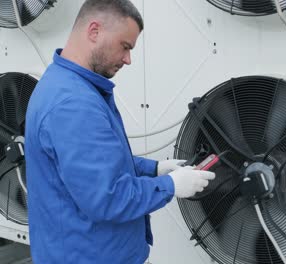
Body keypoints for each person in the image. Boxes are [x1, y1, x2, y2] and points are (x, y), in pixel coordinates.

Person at [24, 0, 215, 263]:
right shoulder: (74, 105)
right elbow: (108, 198)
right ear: (94, 31)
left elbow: (92, 168)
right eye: (125, 46)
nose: (128, 59)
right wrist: (170, 185)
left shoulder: (67, 85)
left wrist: (154, 168)